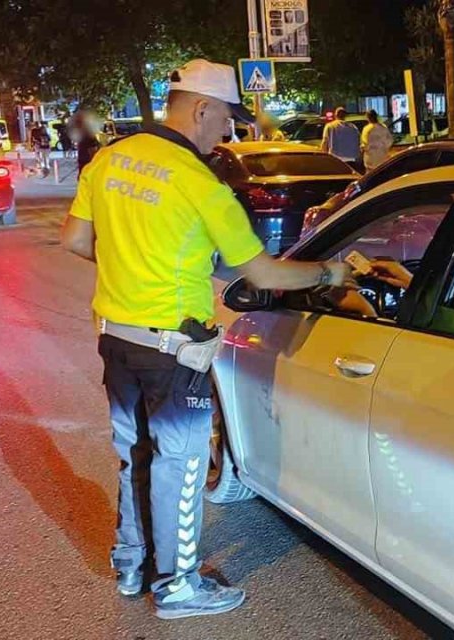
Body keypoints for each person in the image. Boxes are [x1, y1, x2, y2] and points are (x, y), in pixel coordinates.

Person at [60, 58, 356, 621]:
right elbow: (264, 274)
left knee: (137, 454)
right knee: (184, 464)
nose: (229, 131)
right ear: (200, 108)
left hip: (117, 341)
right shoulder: (200, 182)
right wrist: (328, 275)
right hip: (174, 349)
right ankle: (178, 586)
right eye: (225, 118)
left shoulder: (108, 161)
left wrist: (134, 266)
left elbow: (76, 240)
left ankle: (133, 565)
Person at [319, 107, 361, 171]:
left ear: (335, 115)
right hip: (351, 159)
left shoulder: (330, 126)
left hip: (335, 159)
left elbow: (325, 142)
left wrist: (323, 157)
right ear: (345, 116)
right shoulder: (353, 127)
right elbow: (358, 142)